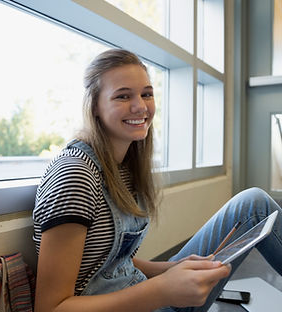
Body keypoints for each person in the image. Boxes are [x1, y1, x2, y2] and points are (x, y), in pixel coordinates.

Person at [33, 48, 282, 312]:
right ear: (94, 105)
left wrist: (168, 269)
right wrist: (161, 290)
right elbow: (51, 308)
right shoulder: (75, 175)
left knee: (254, 205)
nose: (140, 106)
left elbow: (113, 261)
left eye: (146, 94)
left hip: (141, 290)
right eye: (123, 96)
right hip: (144, 301)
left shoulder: (123, 166)